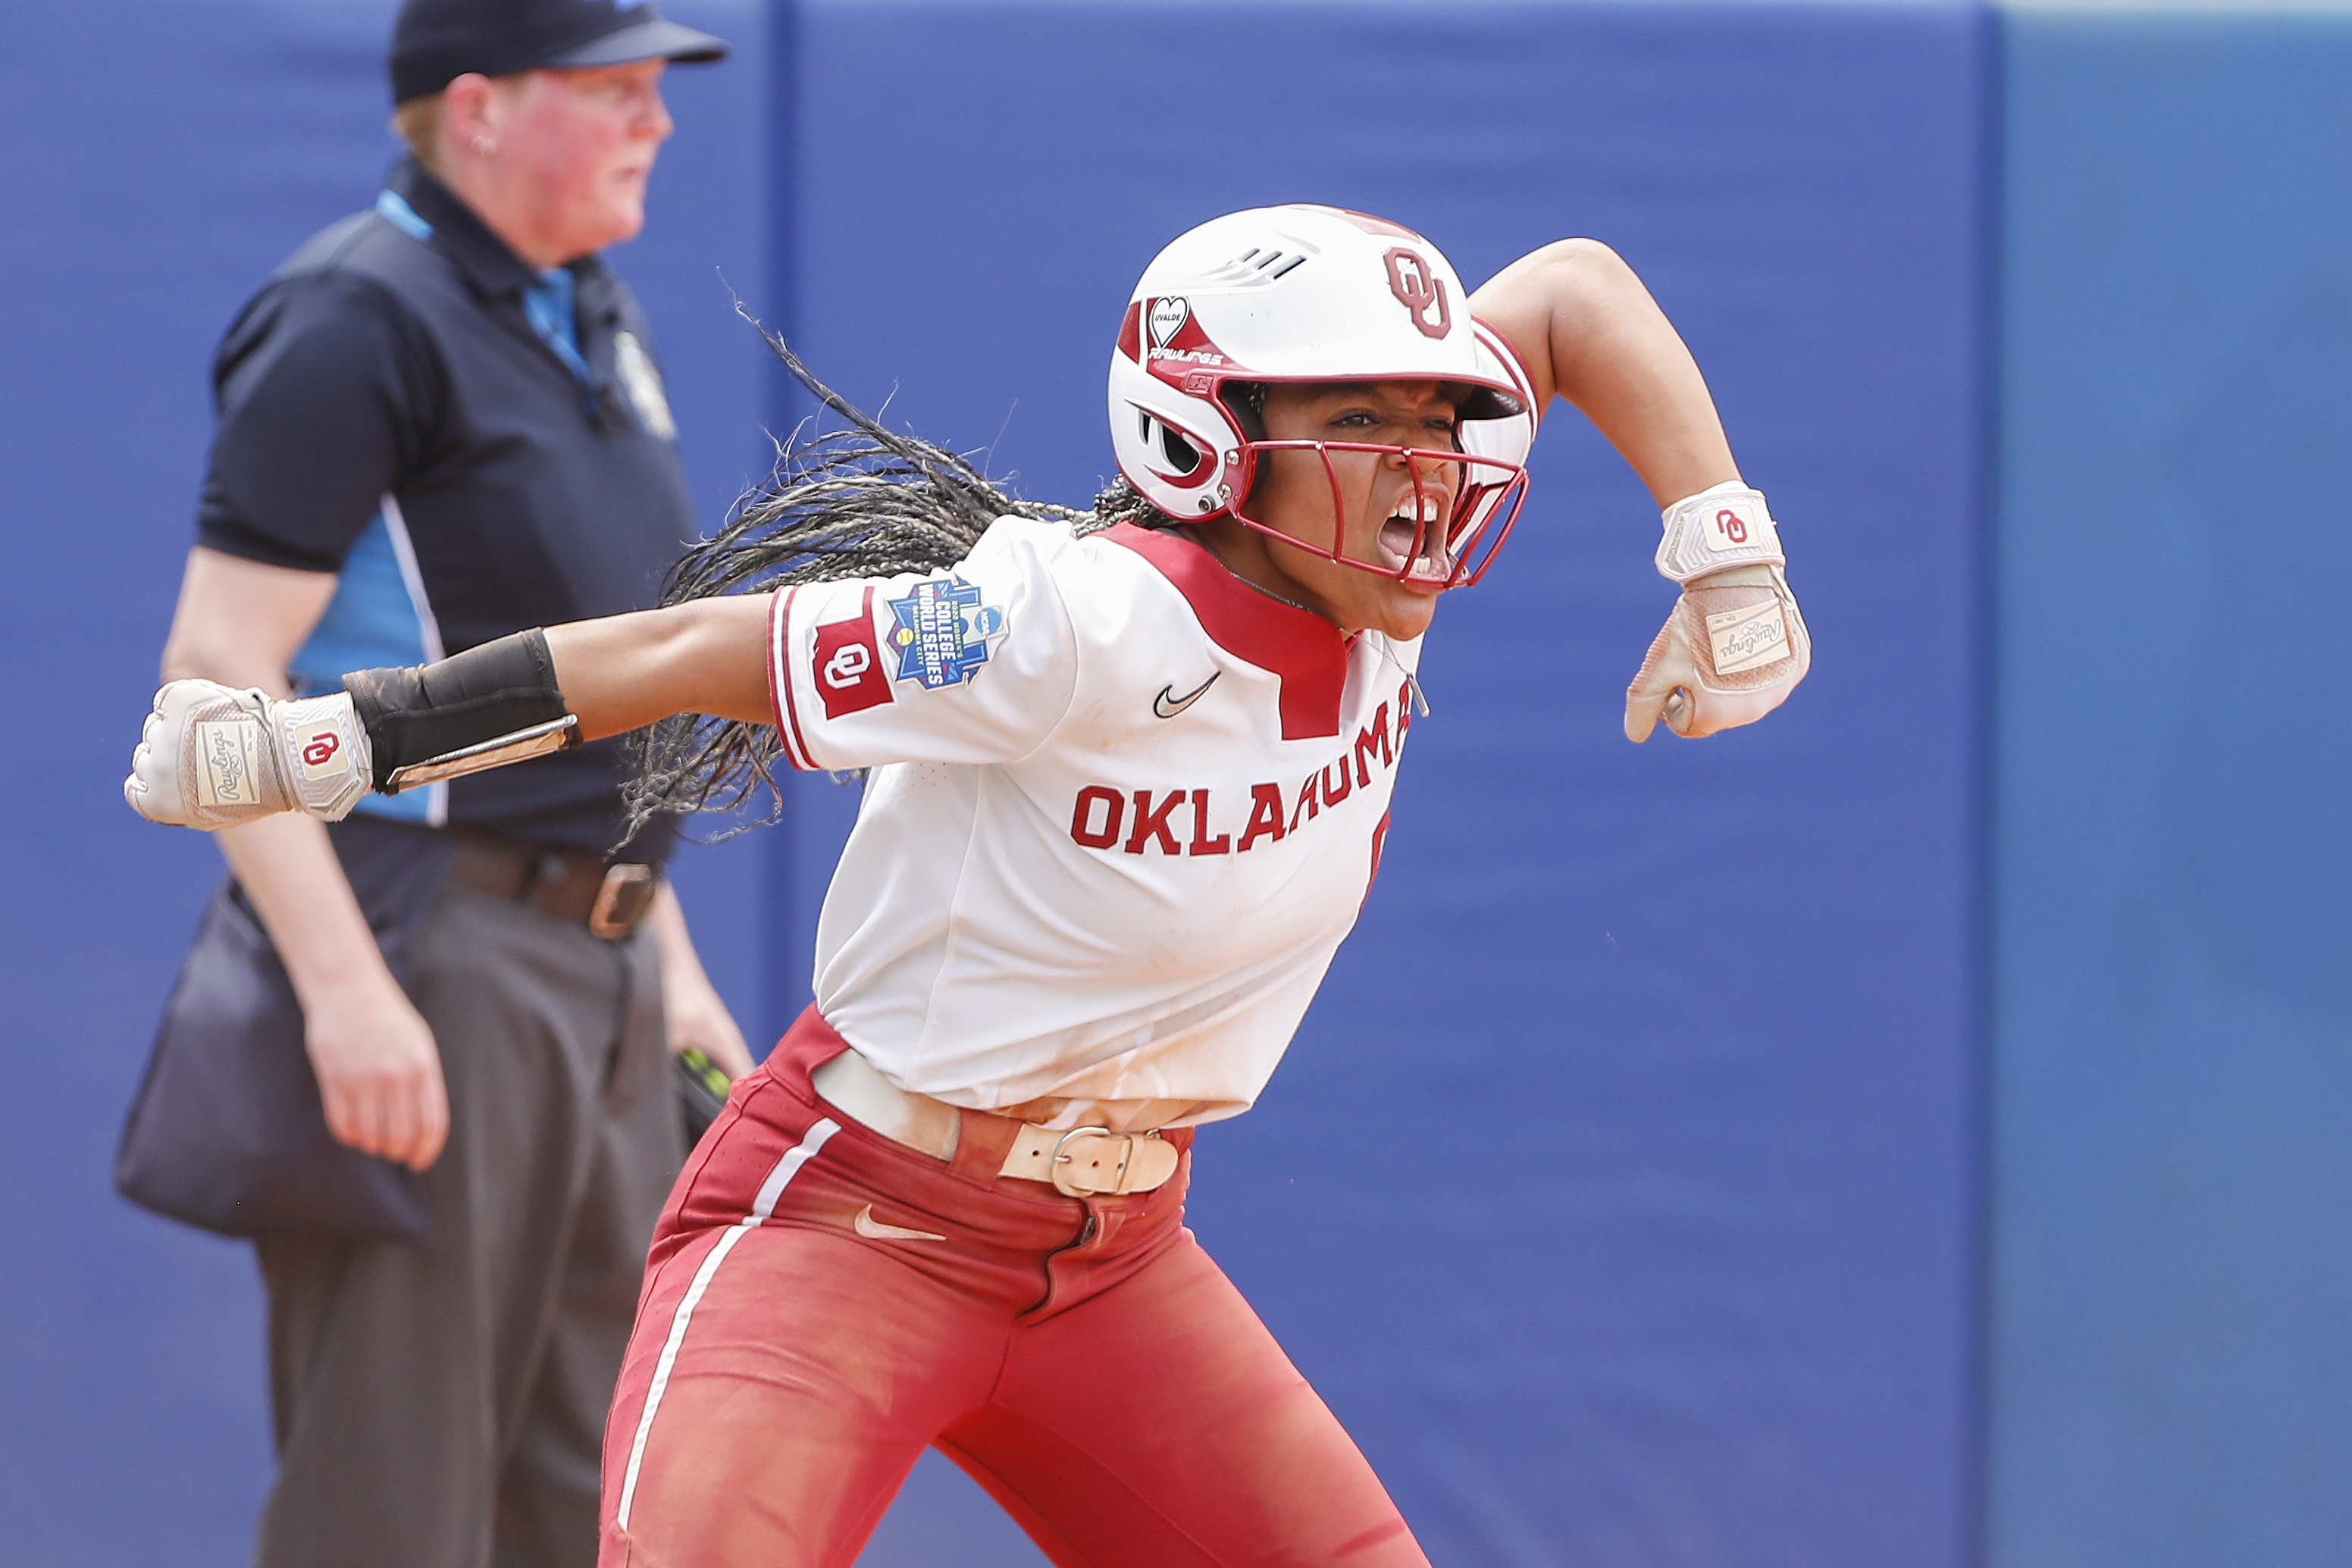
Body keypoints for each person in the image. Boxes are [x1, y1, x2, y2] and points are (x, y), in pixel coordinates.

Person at [130, 204, 1810, 1566]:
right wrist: (328, 743)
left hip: (1117, 1254)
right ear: (1203, 440)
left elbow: (1577, 290)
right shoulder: (1069, 620)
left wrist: (1723, 554)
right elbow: (674, 650)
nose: (1423, 464)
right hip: (854, 1223)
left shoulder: (1365, 573)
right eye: (1357, 417)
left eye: (1440, 414)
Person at [149, 2, 755, 1563]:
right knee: (392, 1506)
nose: (657, 120)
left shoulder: (587, 310)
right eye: (612, 88)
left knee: (593, 1493)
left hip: (602, 968)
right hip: (433, 954)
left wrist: (667, 965)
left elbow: (619, 685)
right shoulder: (358, 315)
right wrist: (345, 995)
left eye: (655, 89)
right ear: (476, 109)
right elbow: (216, 678)